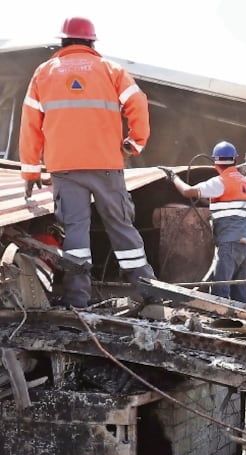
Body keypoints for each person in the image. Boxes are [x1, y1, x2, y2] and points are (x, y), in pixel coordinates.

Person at [19, 16, 156, 308]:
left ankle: (77, 298)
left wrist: (30, 171)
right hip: (106, 163)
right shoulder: (110, 69)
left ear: (62, 41)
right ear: (92, 42)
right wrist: (135, 143)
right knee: (120, 226)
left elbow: (30, 124)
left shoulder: (44, 72)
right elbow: (138, 103)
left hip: (64, 168)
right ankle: (148, 290)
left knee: (75, 233)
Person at [163, 141, 246, 303]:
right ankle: (242, 317)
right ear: (234, 160)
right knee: (239, 293)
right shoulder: (244, 182)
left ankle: (219, 317)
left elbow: (187, 191)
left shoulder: (220, 182)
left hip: (229, 244)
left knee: (220, 292)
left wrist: (173, 177)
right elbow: (227, 201)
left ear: (215, 163)